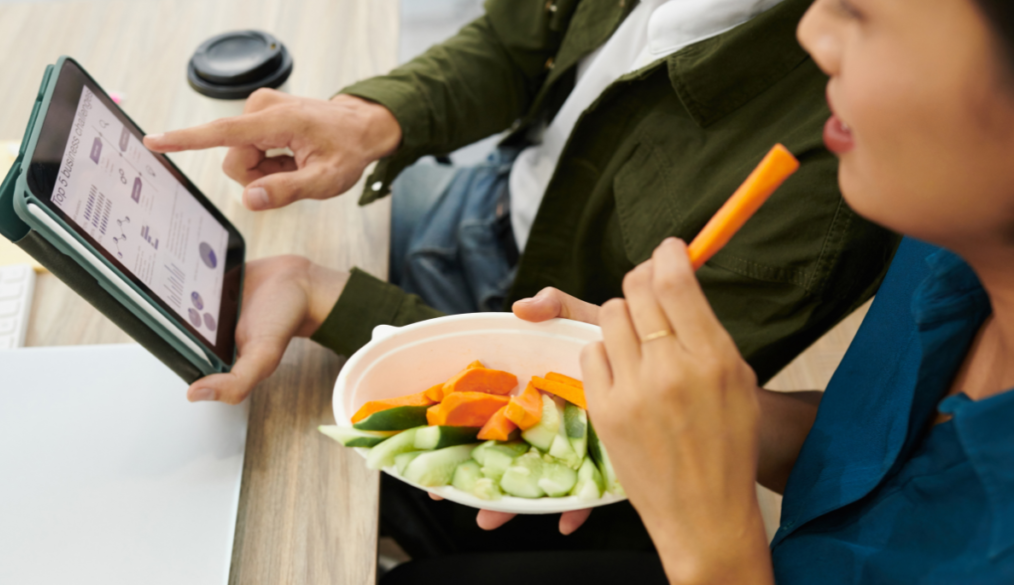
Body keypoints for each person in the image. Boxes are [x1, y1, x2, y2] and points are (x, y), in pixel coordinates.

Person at [145, 0, 897, 559]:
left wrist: (328, 297)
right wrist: (369, 118)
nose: (823, 33)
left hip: (547, 370)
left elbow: (636, 407)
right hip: (493, 205)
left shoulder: (848, 151)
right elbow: (518, 43)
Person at [381, 0, 1014, 581]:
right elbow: (871, 454)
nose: (813, 32)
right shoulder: (945, 239)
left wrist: (713, 545)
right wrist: (703, 411)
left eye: (864, 13)